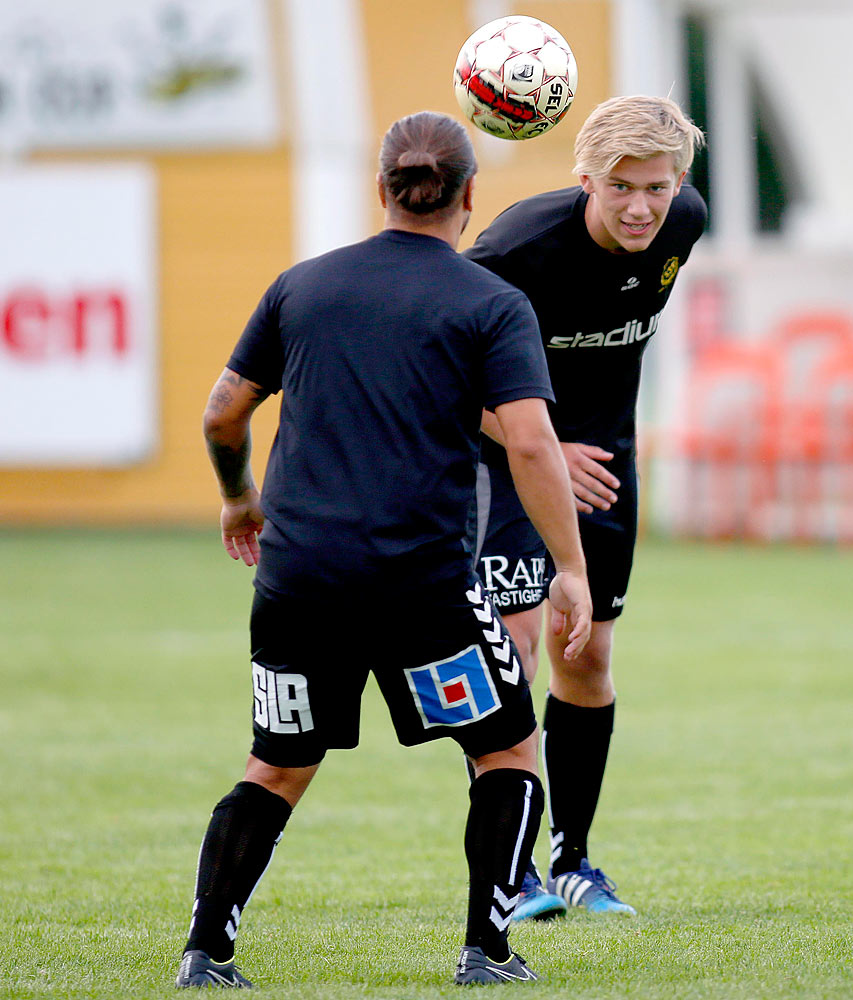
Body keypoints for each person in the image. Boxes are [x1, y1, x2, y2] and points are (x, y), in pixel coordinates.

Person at [176, 110, 592, 989]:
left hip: (298, 580)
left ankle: (205, 952)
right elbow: (527, 443)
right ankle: (488, 949)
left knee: (277, 765)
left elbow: (221, 413)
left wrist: (237, 497)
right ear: (471, 195)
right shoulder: (490, 303)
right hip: (422, 587)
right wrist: (570, 568)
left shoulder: (303, 287)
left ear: (382, 191)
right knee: (509, 750)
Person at [463, 95, 706, 919]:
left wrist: (580, 453)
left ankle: (574, 861)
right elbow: (448, 381)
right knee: (515, 649)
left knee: (588, 657)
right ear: (583, 179)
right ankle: (513, 871)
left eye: (657, 187)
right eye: (620, 187)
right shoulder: (512, 249)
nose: (641, 206)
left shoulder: (684, 223)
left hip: (605, 466)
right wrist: (542, 448)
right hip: (505, 461)